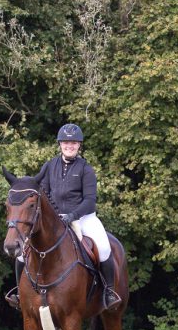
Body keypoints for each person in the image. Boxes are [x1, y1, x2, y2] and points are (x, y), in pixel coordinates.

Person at [7, 123, 121, 311]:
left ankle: (109, 292)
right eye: (66, 142)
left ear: (79, 146)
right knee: (23, 252)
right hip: (55, 219)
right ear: (60, 144)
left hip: (83, 217)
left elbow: (90, 200)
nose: (70, 146)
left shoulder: (86, 169)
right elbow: (44, 195)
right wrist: (54, 216)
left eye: (74, 143)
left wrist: (72, 215)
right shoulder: (49, 166)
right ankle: (20, 293)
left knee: (104, 246)